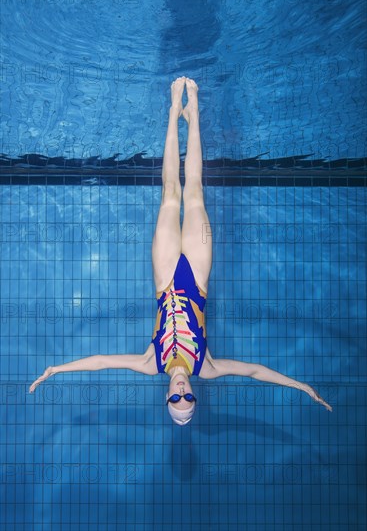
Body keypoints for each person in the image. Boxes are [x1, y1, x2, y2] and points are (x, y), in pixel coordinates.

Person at [29, 77, 332, 424]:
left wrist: (56, 369)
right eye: (189, 398)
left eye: (176, 398)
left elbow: (99, 360)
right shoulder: (207, 366)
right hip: (199, 274)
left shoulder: (149, 363)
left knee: (171, 192)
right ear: (195, 396)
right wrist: (300, 385)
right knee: (196, 193)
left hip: (164, 273)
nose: (182, 390)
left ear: (166, 397)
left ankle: (175, 111)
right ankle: (195, 113)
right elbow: (254, 371)